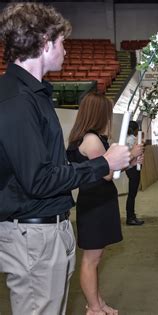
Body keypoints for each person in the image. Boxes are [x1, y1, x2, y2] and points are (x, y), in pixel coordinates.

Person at [0, 3, 130, 314]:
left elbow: (51, 168)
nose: (66, 51)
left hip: (47, 231)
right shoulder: (18, 100)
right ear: (44, 43)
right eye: (61, 43)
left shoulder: (34, 95)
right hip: (33, 235)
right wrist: (105, 164)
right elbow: (39, 180)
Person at [67, 93, 143, 315]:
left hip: (98, 200)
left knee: (96, 258)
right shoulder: (91, 140)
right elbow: (108, 174)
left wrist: (130, 161)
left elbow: (111, 172)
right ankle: (93, 307)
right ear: (99, 113)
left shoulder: (90, 138)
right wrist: (132, 155)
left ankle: (97, 303)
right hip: (95, 203)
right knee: (91, 259)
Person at [125, 120, 145, 226]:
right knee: (132, 194)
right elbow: (137, 152)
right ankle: (130, 217)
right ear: (136, 129)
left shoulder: (127, 138)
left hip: (129, 168)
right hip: (133, 167)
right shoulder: (133, 139)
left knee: (132, 194)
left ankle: (131, 215)